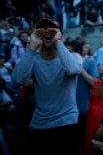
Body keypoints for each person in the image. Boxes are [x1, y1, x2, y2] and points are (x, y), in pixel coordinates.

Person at [11, 18, 82, 155]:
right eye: (42, 29)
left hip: (67, 122)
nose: (47, 31)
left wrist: (59, 41)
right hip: (40, 123)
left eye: (51, 29)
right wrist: (32, 47)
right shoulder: (34, 59)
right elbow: (17, 79)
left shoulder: (73, 57)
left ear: (60, 34)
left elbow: (73, 70)